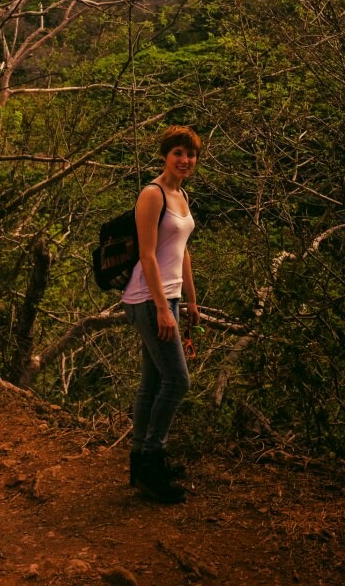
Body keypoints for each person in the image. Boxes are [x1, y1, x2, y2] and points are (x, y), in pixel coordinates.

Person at [121, 124, 202, 503]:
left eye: (190, 154)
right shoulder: (152, 194)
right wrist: (160, 309)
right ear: (164, 156)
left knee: (152, 381)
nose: (185, 160)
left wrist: (190, 300)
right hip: (148, 298)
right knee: (177, 381)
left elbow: (182, 249)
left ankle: (140, 461)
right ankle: (152, 460)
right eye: (178, 153)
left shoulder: (181, 194)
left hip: (169, 297)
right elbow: (147, 254)